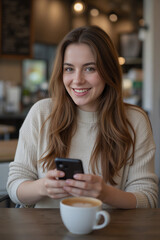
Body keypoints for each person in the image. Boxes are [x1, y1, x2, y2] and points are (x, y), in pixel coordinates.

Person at [7, 25, 158, 209]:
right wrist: (42, 187)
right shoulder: (41, 113)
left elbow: (148, 199)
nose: (77, 80)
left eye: (89, 69)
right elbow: (15, 186)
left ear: (108, 70)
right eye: (69, 69)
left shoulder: (134, 121)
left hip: (109, 230)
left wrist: (105, 193)